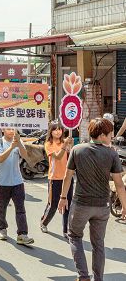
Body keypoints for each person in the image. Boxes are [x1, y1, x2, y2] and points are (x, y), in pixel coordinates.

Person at [58, 118, 126, 281]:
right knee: (98, 244)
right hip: (102, 206)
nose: (112, 137)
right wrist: (125, 206)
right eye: (110, 134)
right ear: (102, 135)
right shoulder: (111, 154)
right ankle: (98, 279)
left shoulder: (77, 149)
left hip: (81, 204)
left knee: (74, 236)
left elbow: (68, 177)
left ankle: (83, 276)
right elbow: (119, 184)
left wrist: (62, 197)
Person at [0, 128, 34, 245]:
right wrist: (11, 147)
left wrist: (19, 143)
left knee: (20, 209)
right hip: (2, 182)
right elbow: (0, 159)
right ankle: (2, 228)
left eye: (13, 128)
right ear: (3, 130)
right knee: (1, 208)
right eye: (8, 128)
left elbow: (26, 156)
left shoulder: (18, 141)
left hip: (17, 181)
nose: (11, 131)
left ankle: (22, 234)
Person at [40, 121, 74, 237]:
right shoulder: (48, 144)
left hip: (67, 178)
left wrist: (71, 146)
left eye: (60, 129)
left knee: (67, 204)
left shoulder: (65, 142)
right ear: (51, 131)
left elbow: (70, 157)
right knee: (53, 204)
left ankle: (66, 230)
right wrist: (65, 146)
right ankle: (44, 222)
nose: (58, 131)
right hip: (55, 178)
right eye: (55, 129)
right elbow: (58, 157)